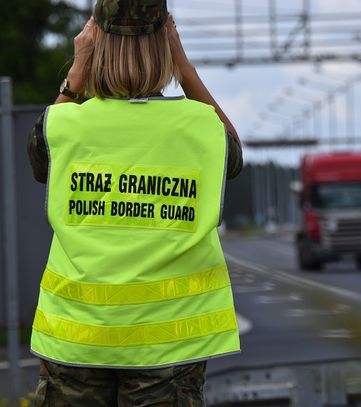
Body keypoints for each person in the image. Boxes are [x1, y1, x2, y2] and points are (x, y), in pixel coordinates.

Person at [27, 1, 242, 405]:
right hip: (169, 348)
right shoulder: (202, 128)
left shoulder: (62, 124)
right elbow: (233, 155)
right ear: (166, 44)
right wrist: (184, 67)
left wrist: (76, 72)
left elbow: (40, 157)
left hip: (76, 340)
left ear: (93, 43)